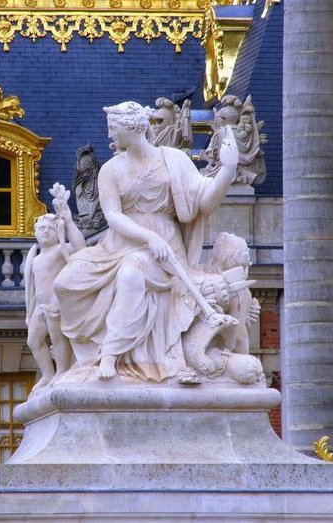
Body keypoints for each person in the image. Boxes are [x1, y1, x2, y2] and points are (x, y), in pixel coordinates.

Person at [53, 101, 239, 382]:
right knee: (64, 282)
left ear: (132, 128)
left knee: (131, 274)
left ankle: (110, 354)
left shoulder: (174, 160)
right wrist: (147, 237)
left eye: (113, 129)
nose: (109, 136)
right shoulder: (111, 170)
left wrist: (227, 170)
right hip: (122, 243)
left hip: (163, 248)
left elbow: (204, 201)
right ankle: (79, 359)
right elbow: (114, 216)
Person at [24, 183, 86, 388]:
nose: (44, 232)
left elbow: (80, 248)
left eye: (49, 229)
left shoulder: (60, 249)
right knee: (34, 340)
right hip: (40, 306)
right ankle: (47, 373)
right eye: (41, 229)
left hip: (56, 304)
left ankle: (61, 370)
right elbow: (31, 289)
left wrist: (67, 222)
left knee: (58, 340)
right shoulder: (34, 257)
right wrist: (29, 311)